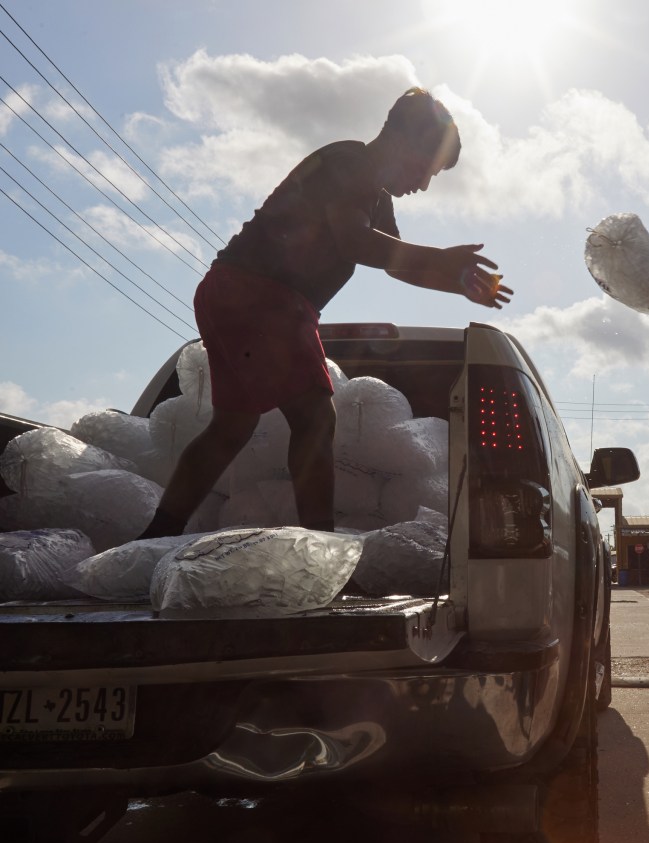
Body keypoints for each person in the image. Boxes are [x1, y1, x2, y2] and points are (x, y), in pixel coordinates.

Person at [139, 87, 510, 539]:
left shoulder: (376, 196)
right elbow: (357, 243)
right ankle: (322, 543)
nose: (424, 184)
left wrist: (458, 281)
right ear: (402, 138)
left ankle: (157, 534)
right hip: (264, 296)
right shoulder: (349, 163)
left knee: (232, 427)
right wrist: (442, 259)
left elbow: (394, 264)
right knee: (315, 417)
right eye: (424, 167)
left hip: (230, 292)